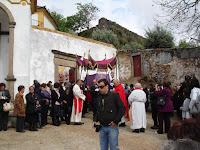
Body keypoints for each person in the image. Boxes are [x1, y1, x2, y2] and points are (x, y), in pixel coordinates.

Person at [93, 78, 125, 150]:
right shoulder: (99, 97)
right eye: (98, 87)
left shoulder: (114, 95)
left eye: (101, 87)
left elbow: (122, 108)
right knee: (103, 147)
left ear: (107, 86)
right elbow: (98, 110)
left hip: (112, 127)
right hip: (102, 127)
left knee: (113, 147)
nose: (100, 89)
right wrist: (95, 120)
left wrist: (116, 121)